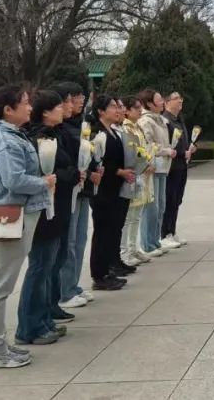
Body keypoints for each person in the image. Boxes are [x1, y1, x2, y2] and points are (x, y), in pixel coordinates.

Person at [0, 83, 56, 370]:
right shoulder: (5, 139)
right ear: (8, 110)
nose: (30, 107)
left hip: (16, 215)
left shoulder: (12, 135)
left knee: (2, 285)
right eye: (25, 102)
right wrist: (44, 182)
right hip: (8, 218)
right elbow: (14, 180)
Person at [16, 90, 78, 345]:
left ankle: (45, 318)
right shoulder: (37, 138)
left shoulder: (55, 134)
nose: (64, 109)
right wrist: (69, 175)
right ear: (46, 112)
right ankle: (28, 327)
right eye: (58, 107)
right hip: (44, 212)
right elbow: (42, 174)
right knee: (40, 266)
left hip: (58, 208)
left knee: (51, 264)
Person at [54, 82, 100, 310]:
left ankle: (73, 285)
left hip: (82, 189)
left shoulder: (80, 124)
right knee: (69, 241)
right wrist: (83, 173)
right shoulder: (60, 129)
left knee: (79, 239)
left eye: (81, 97)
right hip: (69, 188)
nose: (79, 102)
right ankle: (65, 290)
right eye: (74, 98)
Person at [89, 95, 136, 290]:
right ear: (100, 111)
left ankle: (110, 267)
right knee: (102, 231)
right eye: (113, 107)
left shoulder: (114, 131)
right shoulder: (97, 133)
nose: (118, 110)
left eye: (118, 106)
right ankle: (99, 274)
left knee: (112, 229)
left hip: (116, 188)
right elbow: (98, 162)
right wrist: (119, 172)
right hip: (103, 189)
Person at [137, 89, 173, 256]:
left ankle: (155, 240)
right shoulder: (146, 121)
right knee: (151, 207)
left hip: (163, 166)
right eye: (159, 99)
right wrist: (166, 151)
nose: (162, 102)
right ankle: (147, 244)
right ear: (149, 104)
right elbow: (148, 144)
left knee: (160, 206)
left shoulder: (160, 120)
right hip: (152, 167)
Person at [120, 96, 154, 266]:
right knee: (129, 215)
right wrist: (142, 164)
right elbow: (130, 152)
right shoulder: (126, 128)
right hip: (133, 174)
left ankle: (134, 248)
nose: (140, 110)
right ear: (127, 110)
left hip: (142, 173)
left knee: (136, 215)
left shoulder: (137, 126)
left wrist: (148, 161)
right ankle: (124, 251)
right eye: (136, 108)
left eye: (140, 107)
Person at [161, 92, 195, 248]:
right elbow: (166, 144)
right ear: (167, 102)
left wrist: (190, 149)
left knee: (177, 200)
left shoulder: (179, 120)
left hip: (182, 166)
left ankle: (172, 231)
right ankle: (164, 233)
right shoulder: (165, 121)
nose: (180, 101)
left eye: (181, 98)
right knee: (169, 199)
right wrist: (182, 153)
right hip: (171, 167)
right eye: (176, 98)